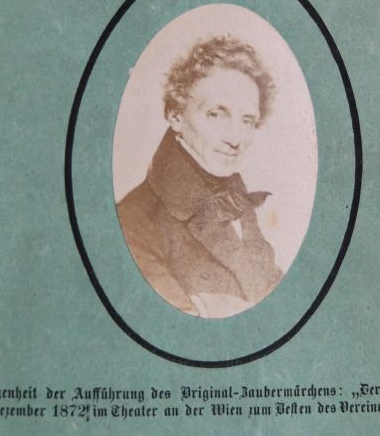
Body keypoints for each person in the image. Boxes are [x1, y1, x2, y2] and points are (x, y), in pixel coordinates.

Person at [116, 35, 283, 318]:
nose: (235, 139)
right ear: (176, 115)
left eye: (247, 120)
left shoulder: (240, 205)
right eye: (216, 114)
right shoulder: (134, 220)